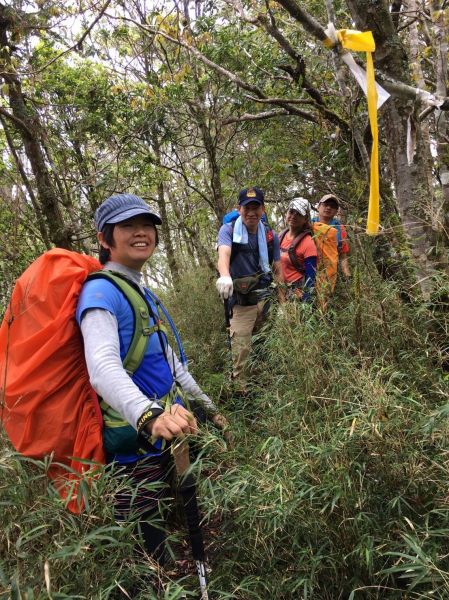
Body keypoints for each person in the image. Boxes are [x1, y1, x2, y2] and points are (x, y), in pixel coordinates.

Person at [76, 193, 227, 565]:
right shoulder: (100, 293)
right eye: (128, 226)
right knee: (146, 539)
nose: (141, 233)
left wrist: (210, 410)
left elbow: (173, 365)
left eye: (147, 226)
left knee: (168, 510)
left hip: (166, 430)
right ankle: (155, 578)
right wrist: (149, 415)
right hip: (133, 441)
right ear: (103, 237)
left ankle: (179, 564)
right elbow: (102, 366)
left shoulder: (141, 291)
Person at [216, 187, 281, 395]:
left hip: (265, 299)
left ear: (263, 209)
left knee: (264, 346)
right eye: (247, 207)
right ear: (239, 208)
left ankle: (264, 388)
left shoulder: (270, 234)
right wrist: (225, 275)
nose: (251, 212)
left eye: (256, 207)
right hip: (241, 302)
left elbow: (278, 269)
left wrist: (283, 303)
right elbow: (223, 256)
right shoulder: (228, 230)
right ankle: (241, 394)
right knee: (241, 350)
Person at [278, 198, 318, 303]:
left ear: (305, 219)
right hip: (279, 290)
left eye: (299, 214)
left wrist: (306, 301)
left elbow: (311, 278)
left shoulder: (308, 243)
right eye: (291, 212)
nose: (294, 216)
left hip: (295, 295)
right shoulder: (281, 236)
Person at [312, 194, 350, 278]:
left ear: (336, 211)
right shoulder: (308, 225)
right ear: (318, 207)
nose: (328, 208)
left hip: (330, 274)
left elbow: (343, 256)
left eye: (333, 206)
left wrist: (347, 275)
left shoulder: (340, 229)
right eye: (325, 204)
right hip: (308, 270)